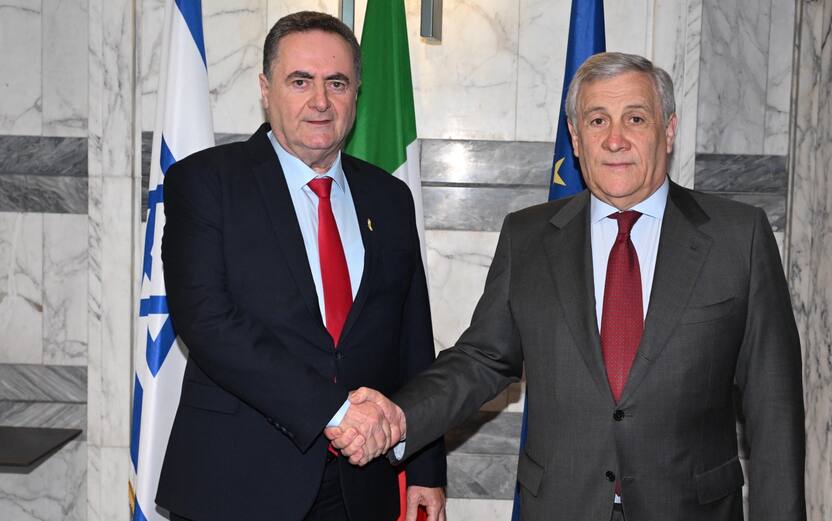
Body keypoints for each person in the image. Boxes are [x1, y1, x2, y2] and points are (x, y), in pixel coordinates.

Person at [328, 52, 806, 521]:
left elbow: (774, 407)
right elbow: (482, 360)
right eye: (597, 121)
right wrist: (399, 415)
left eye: (635, 118)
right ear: (576, 139)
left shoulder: (737, 236)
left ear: (669, 130)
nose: (615, 140)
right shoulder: (529, 236)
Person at [155, 11, 446, 521]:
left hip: (362, 486)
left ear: (357, 93)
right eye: (300, 81)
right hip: (237, 483)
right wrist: (335, 411)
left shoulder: (390, 197)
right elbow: (207, 322)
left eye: (337, 83)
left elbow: (411, 338)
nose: (320, 101)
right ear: (266, 90)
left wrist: (424, 467)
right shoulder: (204, 183)